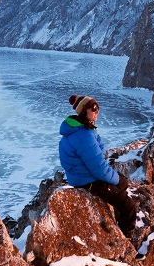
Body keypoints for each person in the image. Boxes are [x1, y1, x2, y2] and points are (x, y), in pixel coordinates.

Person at [58, 94, 138, 235]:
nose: (97, 112)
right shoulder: (84, 136)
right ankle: (127, 243)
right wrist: (118, 180)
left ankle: (116, 219)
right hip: (89, 182)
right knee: (129, 206)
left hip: (81, 178)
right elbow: (99, 170)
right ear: (84, 111)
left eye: (98, 108)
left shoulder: (78, 131)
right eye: (94, 108)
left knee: (122, 185)